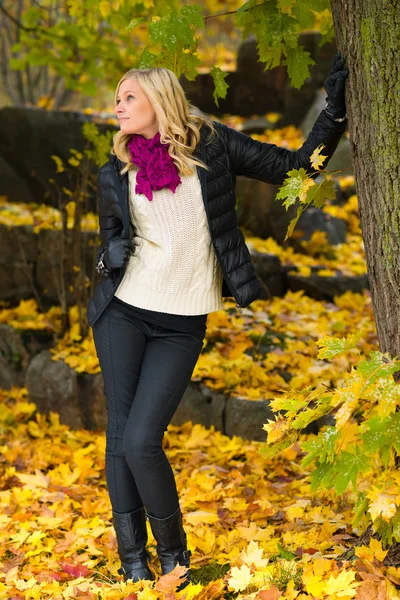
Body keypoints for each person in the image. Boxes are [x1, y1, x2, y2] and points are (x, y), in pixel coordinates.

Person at [88, 54, 348, 591]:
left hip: (181, 322)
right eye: (117, 97)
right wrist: (108, 252)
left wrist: (333, 113)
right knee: (120, 439)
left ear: (160, 100)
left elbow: (296, 166)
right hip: (124, 312)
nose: (119, 105)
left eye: (129, 96)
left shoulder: (212, 146)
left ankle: (175, 555)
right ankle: (135, 561)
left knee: (141, 441)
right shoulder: (115, 170)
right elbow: (110, 239)